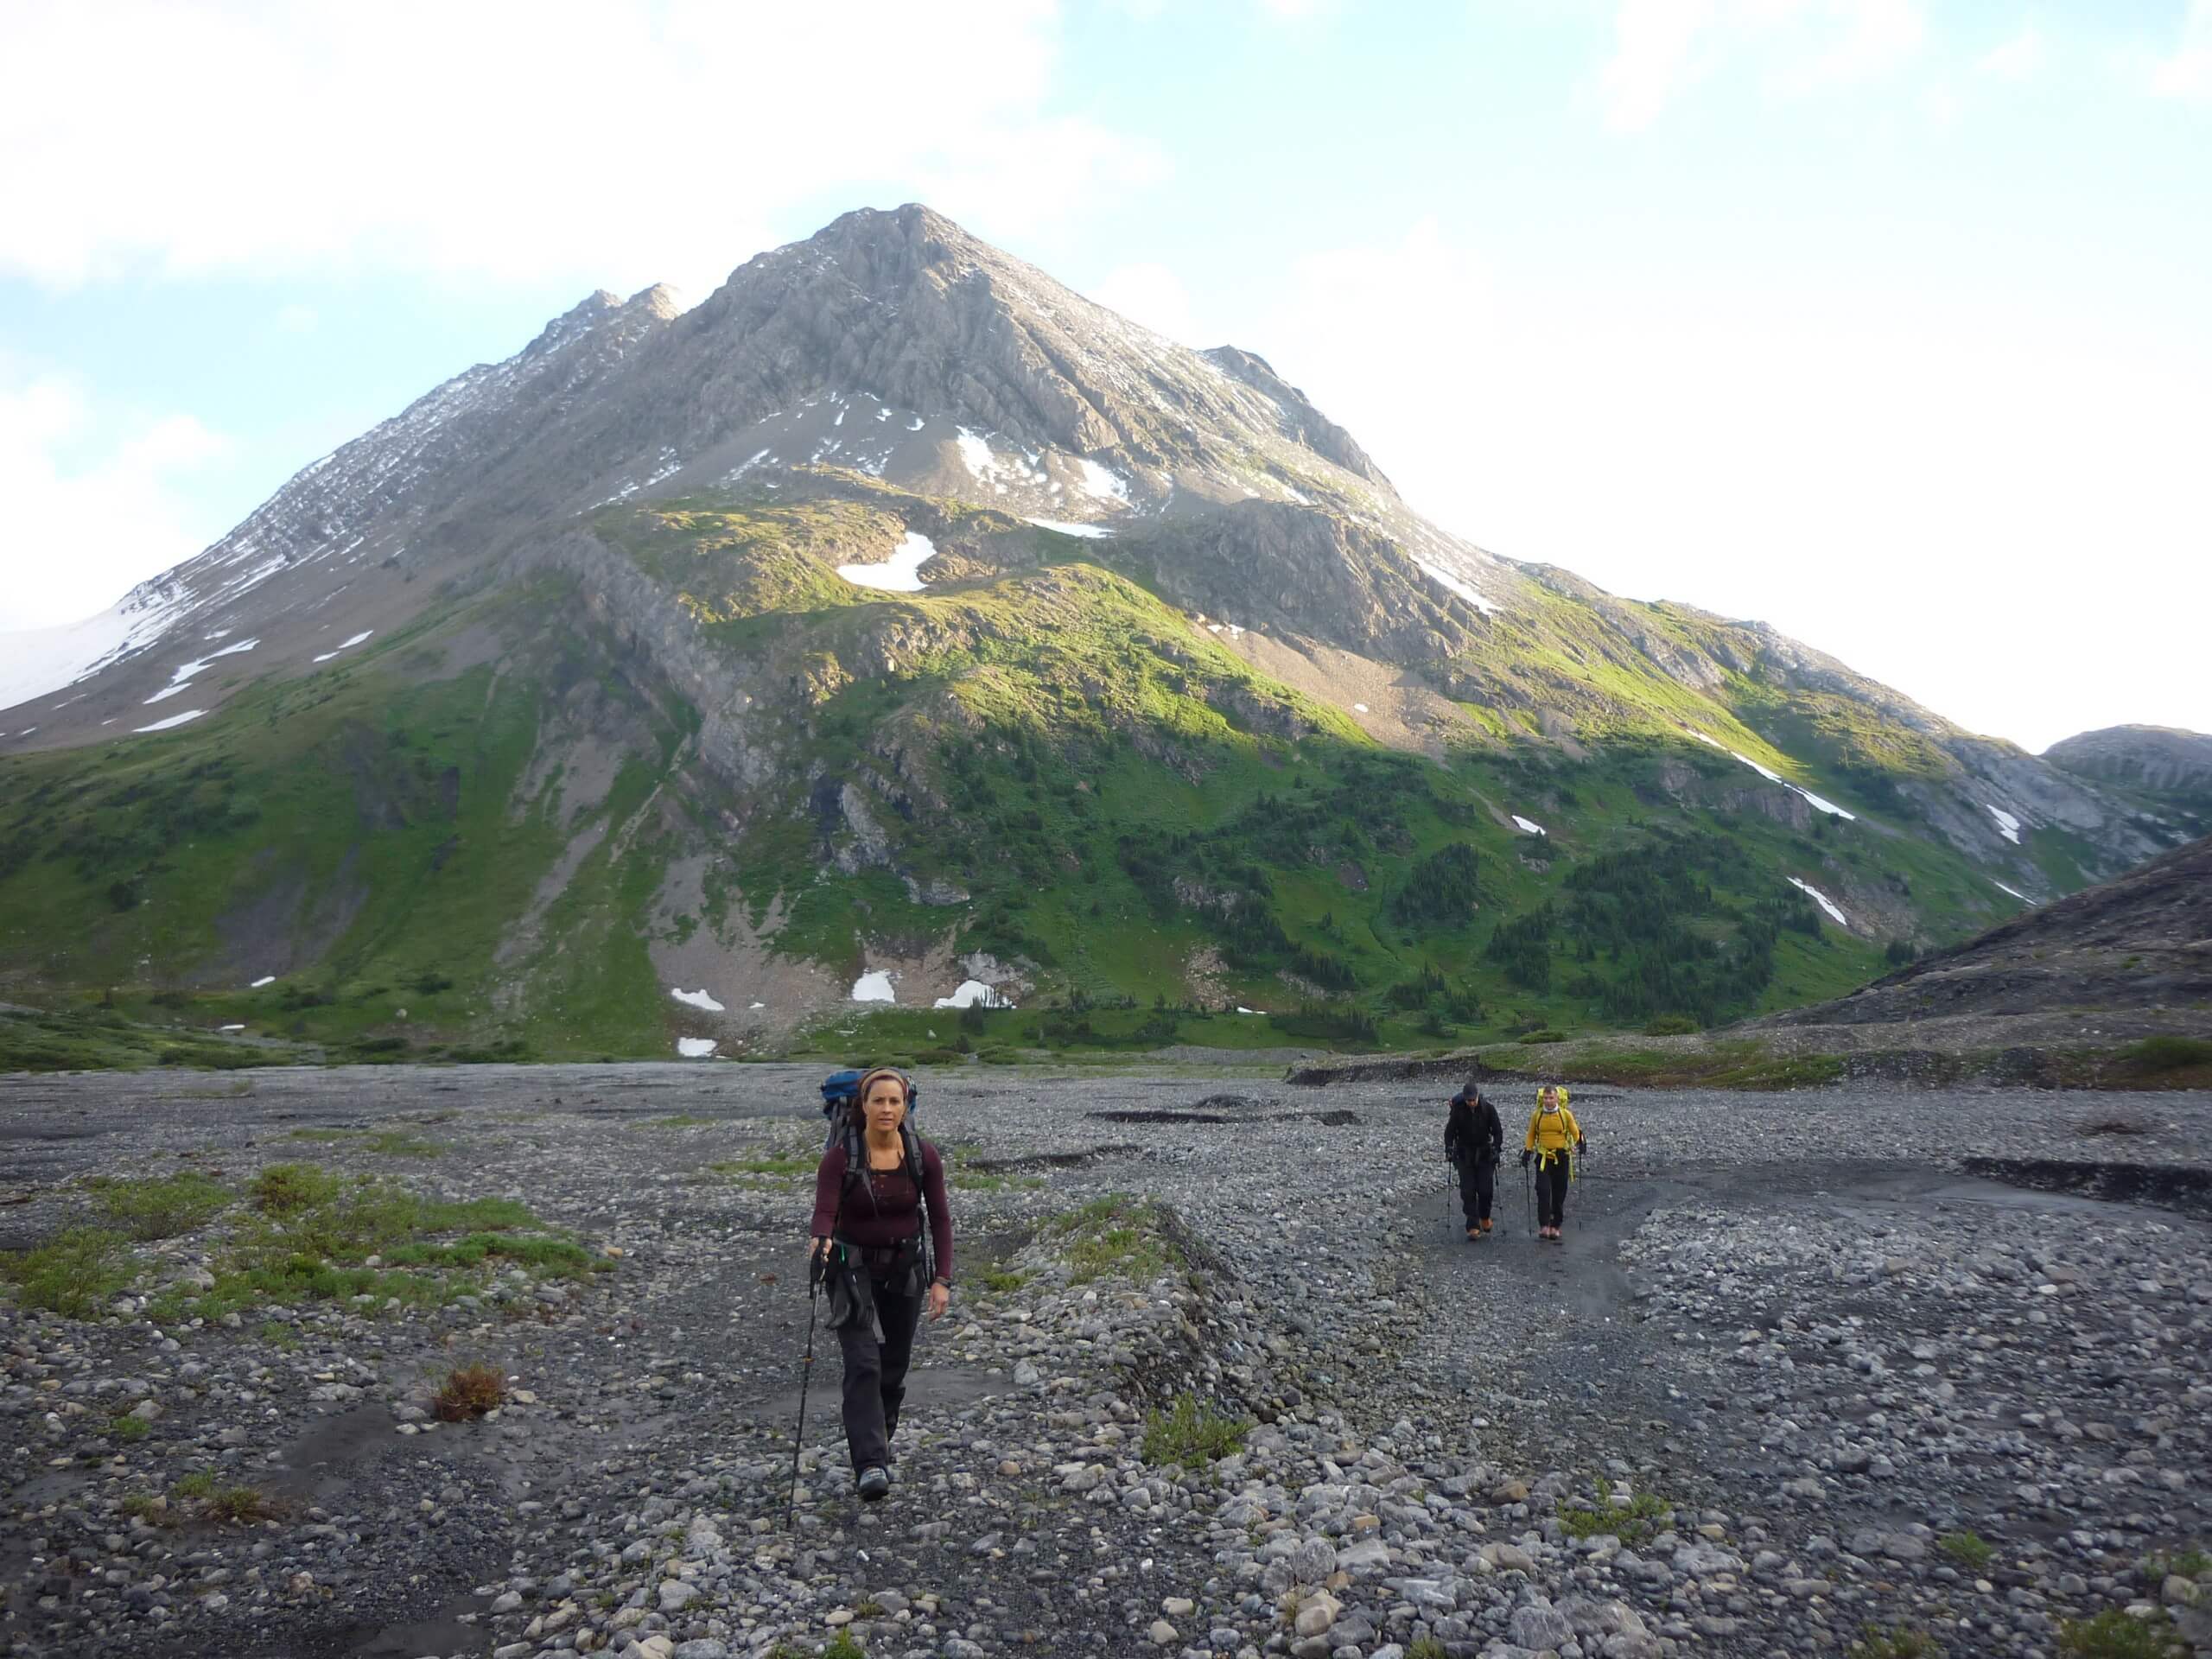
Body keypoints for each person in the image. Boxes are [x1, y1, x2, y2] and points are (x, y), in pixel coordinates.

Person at [808, 1067, 953, 1500]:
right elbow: (824, 1212)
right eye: (878, 1101)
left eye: (895, 1101)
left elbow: (941, 1218)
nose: (887, 1108)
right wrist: (820, 1241)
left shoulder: (921, 1154)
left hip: (904, 1267)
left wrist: (941, 1278)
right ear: (863, 1106)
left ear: (905, 1106)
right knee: (864, 1362)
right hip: (849, 1268)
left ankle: (880, 1437)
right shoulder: (840, 1157)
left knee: (894, 1365)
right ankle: (870, 1464)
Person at [1520, 1084, 1586, 1241]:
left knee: (1559, 1192)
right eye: (1545, 1098)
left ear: (1557, 1098)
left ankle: (1556, 1225)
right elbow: (1531, 1134)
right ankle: (1544, 1225)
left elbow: (1575, 1131)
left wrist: (1580, 1143)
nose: (1548, 1101)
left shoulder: (1565, 1115)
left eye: (1551, 1098)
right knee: (1542, 1190)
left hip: (1561, 1157)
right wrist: (1528, 1150)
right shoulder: (1537, 1115)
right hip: (1543, 1158)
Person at [1443, 1080, 1503, 1241]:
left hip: (1484, 1154)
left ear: (1478, 1096)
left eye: (1473, 1100)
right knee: (1467, 1191)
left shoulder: (1488, 1109)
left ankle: (1485, 1217)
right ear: (1464, 1098)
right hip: (1464, 1155)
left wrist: (1497, 1149)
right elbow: (1449, 1132)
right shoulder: (1457, 1111)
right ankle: (1473, 1225)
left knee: (1485, 1190)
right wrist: (1449, 1148)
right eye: (1468, 1100)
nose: (1471, 1103)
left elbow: (1497, 1132)